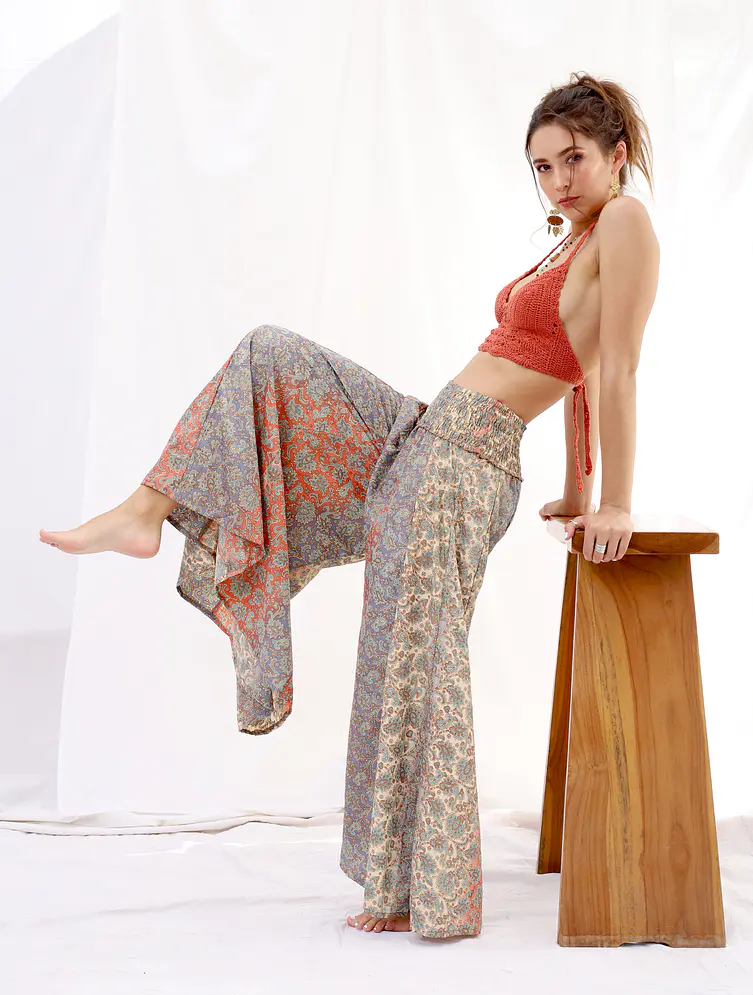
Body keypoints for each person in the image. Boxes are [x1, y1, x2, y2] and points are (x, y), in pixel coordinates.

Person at [38, 72, 659, 938]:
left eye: (573, 160)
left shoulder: (624, 223)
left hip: (465, 463)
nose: (556, 181)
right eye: (541, 167)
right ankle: (148, 508)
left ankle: (420, 894)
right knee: (269, 355)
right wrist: (575, 493)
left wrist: (616, 502)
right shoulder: (576, 239)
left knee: (416, 665)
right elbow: (583, 375)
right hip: (427, 439)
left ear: (615, 154)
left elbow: (615, 366)